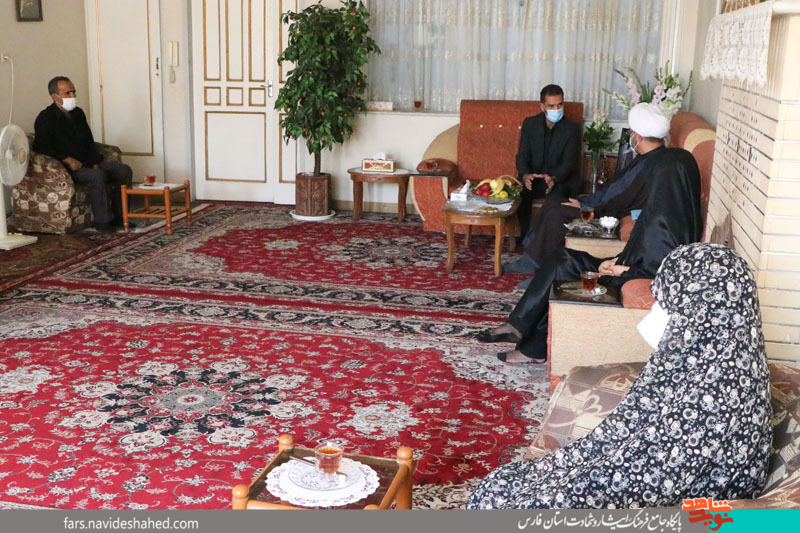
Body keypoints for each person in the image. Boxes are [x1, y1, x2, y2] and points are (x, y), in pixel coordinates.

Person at [467, 243, 773, 509]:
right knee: (508, 485)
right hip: (642, 473)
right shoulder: (717, 355)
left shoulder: (718, 391)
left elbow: (656, 477)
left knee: (514, 500)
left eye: (668, 305)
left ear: (702, 310)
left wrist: (568, 486)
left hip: (668, 499)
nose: (657, 313)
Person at [476, 102, 703, 364]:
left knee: (565, 267)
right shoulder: (668, 207)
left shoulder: (668, 223)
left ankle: (531, 348)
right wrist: (617, 260)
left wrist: (621, 269)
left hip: (629, 276)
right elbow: (643, 248)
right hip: (624, 264)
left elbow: (658, 269)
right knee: (563, 257)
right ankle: (517, 326)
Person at [504, 104, 669, 278]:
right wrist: (586, 200)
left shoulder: (652, 164)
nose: (631, 136)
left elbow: (621, 198)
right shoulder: (647, 156)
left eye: (632, 133)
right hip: (603, 204)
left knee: (556, 212)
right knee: (553, 201)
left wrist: (587, 206)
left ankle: (539, 267)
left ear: (639, 137)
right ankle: (533, 258)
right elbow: (615, 190)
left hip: (609, 213)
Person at [33, 76, 132, 233]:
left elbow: (88, 140)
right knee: (96, 176)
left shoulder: (78, 113)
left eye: (74, 92)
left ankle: (121, 217)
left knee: (123, 170)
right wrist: (66, 159)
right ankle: (103, 222)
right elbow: (41, 146)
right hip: (67, 168)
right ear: (54, 96)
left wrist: (94, 162)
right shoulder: (45, 118)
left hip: (87, 161)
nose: (72, 96)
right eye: (67, 93)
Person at [515, 84, 581, 238]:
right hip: (535, 177)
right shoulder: (530, 124)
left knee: (555, 201)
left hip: (559, 179)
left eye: (559, 105)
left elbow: (569, 163)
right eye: (551, 106)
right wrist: (525, 175)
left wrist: (554, 178)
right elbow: (522, 155)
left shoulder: (572, 129)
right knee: (520, 193)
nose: (556, 109)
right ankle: (525, 237)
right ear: (542, 106)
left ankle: (547, 239)